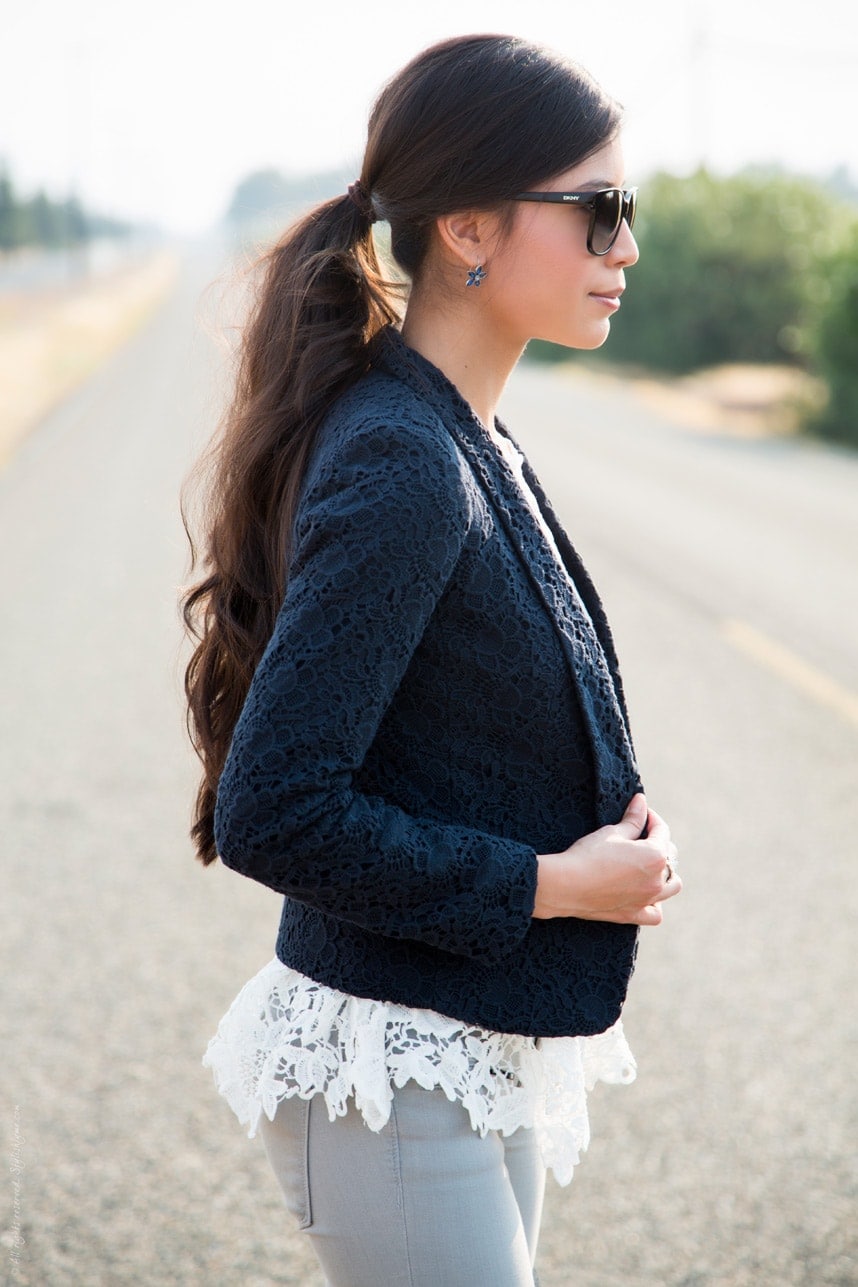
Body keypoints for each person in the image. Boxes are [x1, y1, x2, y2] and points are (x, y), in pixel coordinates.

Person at [183, 32, 681, 1287]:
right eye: (599, 212)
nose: (625, 248)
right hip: (387, 1072)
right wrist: (554, 884)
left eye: (630, 213)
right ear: (467, 226)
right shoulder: (408, 459)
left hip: (463, 1046)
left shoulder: (468, 439)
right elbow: (276, 810)